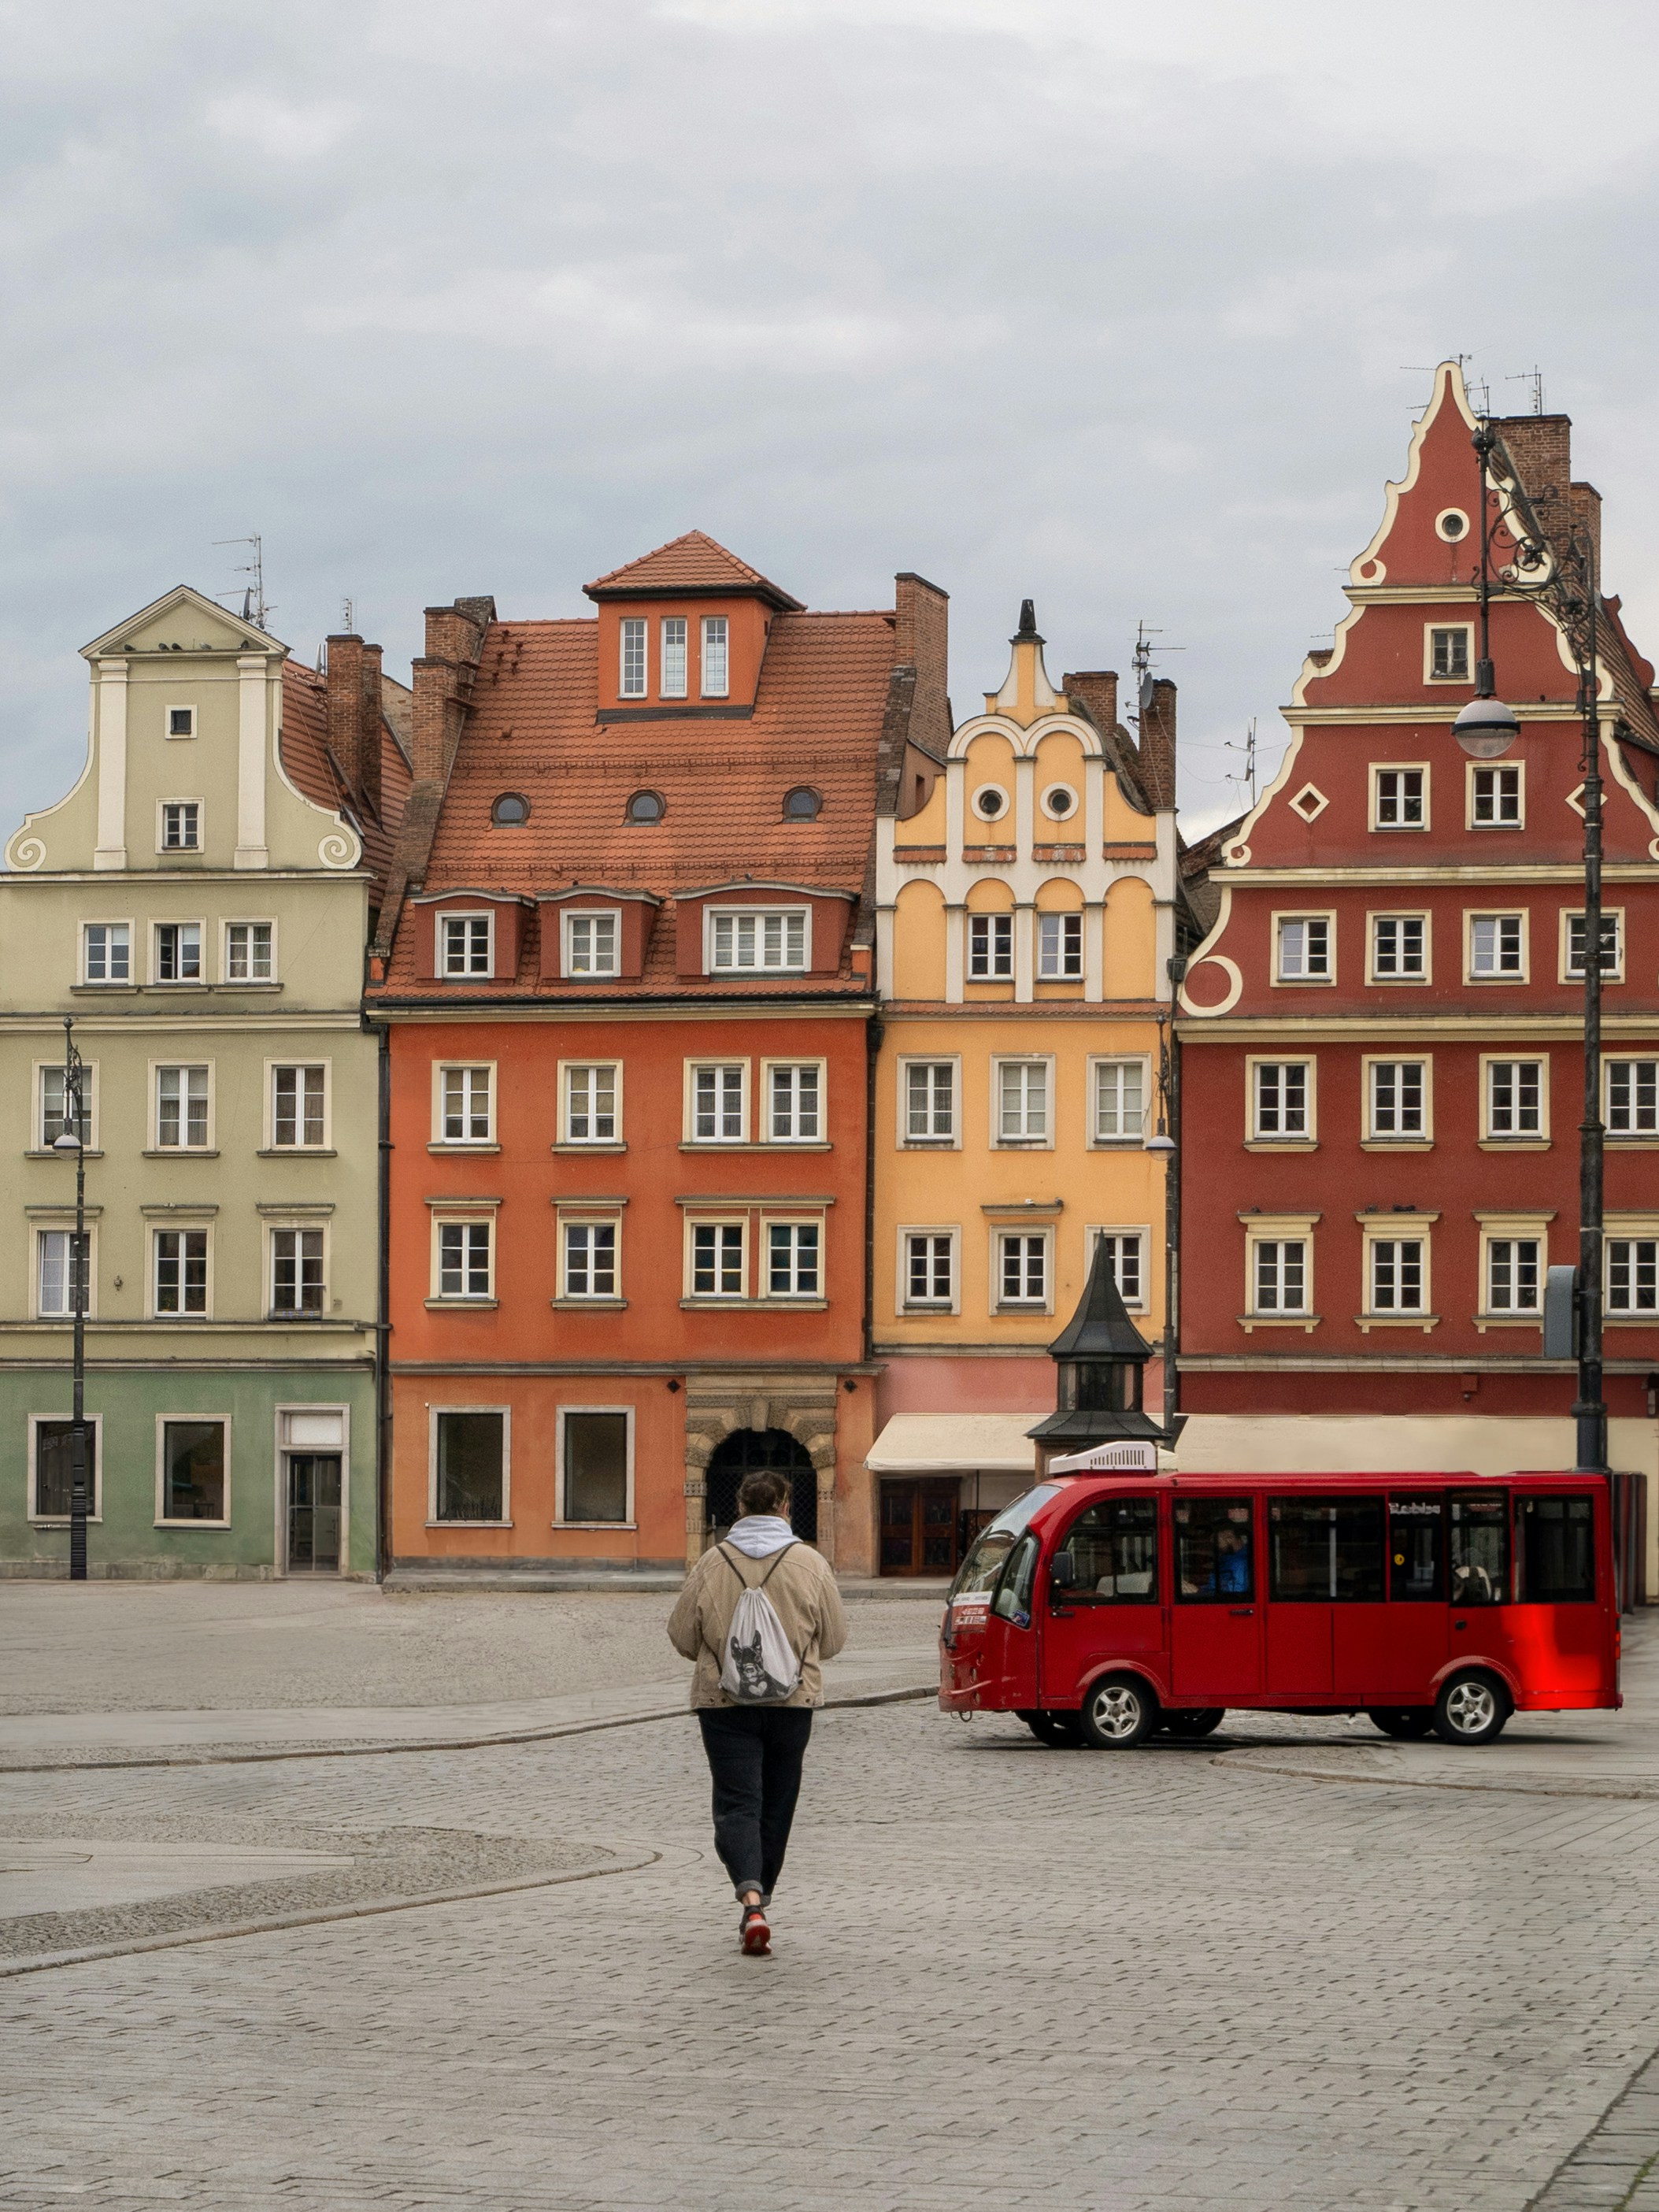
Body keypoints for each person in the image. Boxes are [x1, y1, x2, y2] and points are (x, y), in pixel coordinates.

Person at [667, 1469, 848, 1956]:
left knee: (736, 1803)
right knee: (778, 1803)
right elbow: (832, 1641)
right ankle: (762, 1898)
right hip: (793, 1705)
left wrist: (722, 1653)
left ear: (740, 1508)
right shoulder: (810, 1563)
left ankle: (750, 1900)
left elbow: (682, 1636)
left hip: (723, 1704)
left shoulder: (711, 1562)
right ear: (786, 1508)